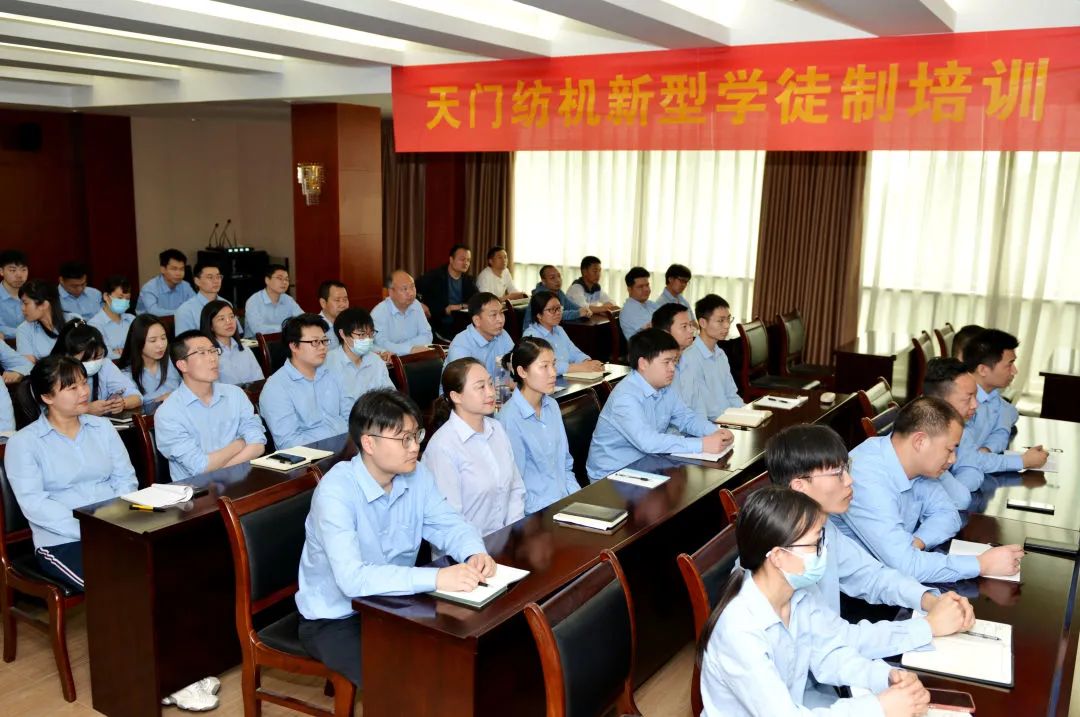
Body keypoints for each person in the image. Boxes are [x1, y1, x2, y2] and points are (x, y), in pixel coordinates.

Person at [295, 389, 495, 687]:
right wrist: (437, 578)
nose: (415, 447)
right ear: (369, 443)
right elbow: (352, 580)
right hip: (337, 618)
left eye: (416, 435)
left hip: (395, 603)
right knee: (403, 683)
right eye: (404, 439)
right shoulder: (336, 492)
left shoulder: (417, 474)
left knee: (463, 656)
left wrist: (473, 552)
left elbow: (449, 524)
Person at [699, 486, 931, 717]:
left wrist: (883, 676)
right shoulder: (739, 630)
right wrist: (879, 707)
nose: (823, 552)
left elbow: (828, 655)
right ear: (778, 556)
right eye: (815, 544)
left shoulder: (797, 592)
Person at [764, 425, 974, 663]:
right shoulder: (783, 556)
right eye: (837, 473)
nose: (849, 480)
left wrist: (929, 600)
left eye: (847, 468)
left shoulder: (823, 528)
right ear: (799, 487)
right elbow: (834, 639)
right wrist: (927, 627)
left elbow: (872, 576)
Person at [838, 397, 1025, 584]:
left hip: (894, 578)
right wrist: (981, 564)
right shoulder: (866, 479)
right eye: (949, 449)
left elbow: (948, 513)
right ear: (920, 441)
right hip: (858, 589)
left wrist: (918, 542)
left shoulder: (916, 465)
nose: (952, 459)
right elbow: (907, 567)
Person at [4, 356, 138, 591]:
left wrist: (116, 520)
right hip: (62, 541)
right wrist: (90, 528)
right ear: (47, 397)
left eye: (84, 383)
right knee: (112, 583)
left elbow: (125, 478)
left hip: (115, 527)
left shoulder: (102, 427)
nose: (84, 392)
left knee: (160, 567)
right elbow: (35, 503)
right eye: (72, 388)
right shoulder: (24, 443)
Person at [586, 329, 733, 481]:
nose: (672, 368)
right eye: (666, 362)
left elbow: (686, 418)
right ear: (643, 363)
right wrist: (702, 444)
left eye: (675, 361)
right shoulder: (625, 397)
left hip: (646, 463)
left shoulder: (664, 387)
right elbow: (648, 442)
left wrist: (716, 432)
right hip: (613, 474)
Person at [423, 357, 526, 536]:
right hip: (467, 548)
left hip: (506, 539)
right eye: (480, 387)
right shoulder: (442, 447)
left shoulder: (497, 429)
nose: (491, 393)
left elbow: (516, 488)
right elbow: (449, 521)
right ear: (456, 396)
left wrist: (512, 534)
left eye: (490, 384)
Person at [154, 330, 266, 480]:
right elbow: (200, 466)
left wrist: (222, 476)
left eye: (213, 351)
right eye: (202, 353)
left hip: (245, 481)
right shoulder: (168, 413)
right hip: (198, 490)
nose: (212, 358)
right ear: (182, 365)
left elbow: (258, 445)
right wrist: (240, 443)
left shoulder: (235, 394)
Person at [925, 357, 1046, 492]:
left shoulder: (961, 429)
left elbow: (972, 468)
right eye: (968, 398)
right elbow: (976, 464)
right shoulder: (921, 432)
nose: (976, 405)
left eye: (976, 397)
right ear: (940, 401)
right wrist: (1022, 461)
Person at [496, 338, 581, 514]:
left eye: (554, 365)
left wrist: (577, 498)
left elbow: (565, 464)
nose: (553, 373)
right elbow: (515, 487)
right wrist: (555, 510)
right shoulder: (509, 418)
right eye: (544, 366)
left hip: (565, 502)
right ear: (522, 372)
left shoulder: (552, 406)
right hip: (536, 513)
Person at [259, 314, 351, 449]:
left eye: (324, 341)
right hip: (311, 458)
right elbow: (288, 443)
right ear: (294, 346)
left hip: (346, 449)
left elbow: (350, 416)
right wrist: (334, 442)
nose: (322, 347)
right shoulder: (276, 388)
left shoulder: (333, 373)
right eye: (315, 342)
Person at [962, 329, 1038, 462]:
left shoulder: (991, 394)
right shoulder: (960, 402)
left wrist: (987, 449)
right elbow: (967, 459)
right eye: (1010, 364)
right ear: (983, 370)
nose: (1015, 371)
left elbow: (1010, 413)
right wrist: (1022, 461)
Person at [675, 294, 743, 421]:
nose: (727, 325)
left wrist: (747, 413)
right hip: (711, 423)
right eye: (720, 321)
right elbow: (705, 408)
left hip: (728, 418)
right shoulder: (690, 358)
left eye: (728, 319)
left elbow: (731, 395)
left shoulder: (721, 354)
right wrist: (734, 419)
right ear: (702, 323)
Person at [50, 321, 141, 415]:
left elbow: (136, 396)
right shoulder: (57, 372)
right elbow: (50, 411)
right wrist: (86, 409)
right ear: (68, 356)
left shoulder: (105, 365)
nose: (93, 363)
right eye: (86, 360)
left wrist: (123, 403)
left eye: (98, 357)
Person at [521, 291, 603, 376]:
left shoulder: (559, 330)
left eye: (559, 308)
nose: (558, 313)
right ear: (539, 315)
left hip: (566, 377)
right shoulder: (531, 336)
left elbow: (574, 352)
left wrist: (587, 362)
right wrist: (579, 367)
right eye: (552, 310)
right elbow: (546, 365)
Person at [325, 307, 394, 407]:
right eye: (361, 334)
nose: (368, 339)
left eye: (370, 334)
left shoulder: (376, 361)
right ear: (342, 334)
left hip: (376, 415)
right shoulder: (329, 363)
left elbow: (391, 397)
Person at [445, 292, 514, 379]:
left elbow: (513, 368)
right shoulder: (461, 346)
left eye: (501, 312)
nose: (500, 320)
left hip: (496, 386)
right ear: (477, 320)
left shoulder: (503, 335)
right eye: (493, 315)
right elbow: (467, 384)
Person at [416, 244, 477, 340]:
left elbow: (478, 300)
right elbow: (412, 289)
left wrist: (458, 306)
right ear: (451, 260)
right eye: (462, 259)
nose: (466, 263)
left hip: (460, 326)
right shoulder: (435, 276)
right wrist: (419, 304)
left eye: (468, 260)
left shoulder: (468, 280)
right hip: (437, 324)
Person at [118, 314, 180, 404]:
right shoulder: (126, 374)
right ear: (138, 342)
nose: (161, 345)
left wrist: (174, 396)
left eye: (163, 338)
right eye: (153, 340)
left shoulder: (174, 360)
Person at [200, 300, 263, 386]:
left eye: (232, 317)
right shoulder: (208, 355)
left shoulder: (245, 350)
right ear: (211, 326)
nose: (229, 322)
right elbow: (212, 389)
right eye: (221, 319)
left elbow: (259, 381)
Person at [371, 270, 433, 355]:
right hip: (391, 360)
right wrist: (409, 350)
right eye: (404, 289)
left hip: (416, 355)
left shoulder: (416, 305)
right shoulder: (379, 313)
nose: (411, 293)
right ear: (391, 292)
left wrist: (404, 348)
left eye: (412, 287)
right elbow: (381, 344)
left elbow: (427, 335)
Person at [16, 280, 78, 361]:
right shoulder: (24, 330)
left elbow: (86, 354)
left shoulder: (74, 321)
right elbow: (28, 364)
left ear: (44, 305)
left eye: (26, 303)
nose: (22, 308)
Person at [244, 264, 303, 336]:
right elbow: (258, 329)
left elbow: (302, 320)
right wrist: (287, 327)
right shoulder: (254, 301)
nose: (284, 282)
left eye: (287, 279)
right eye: (279, 278)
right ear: (267, 280)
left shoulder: (288, 300)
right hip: (255, 342)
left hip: (282, 340)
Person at [136, 249, 195, 316]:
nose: (178, 273)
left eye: (181, 269)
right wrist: (182, 312)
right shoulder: (149, 288)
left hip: (178, 320)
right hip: (149, 321)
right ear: (163, 269)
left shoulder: (185, 285)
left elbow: (196, 305)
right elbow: (153, 312)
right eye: (174, 269)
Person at [174, 261, 228, 334]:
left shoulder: (226, 303)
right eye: (210, 277)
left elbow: (237, 334)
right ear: (197, 281)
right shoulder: (185, 311)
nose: (216, 281)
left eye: (218, 277)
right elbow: (184, 340)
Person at [87, 275, 134, 358]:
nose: (124, 301)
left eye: (127, 299)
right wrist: (130, 352)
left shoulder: (132, 319)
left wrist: (122, 352)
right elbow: (105, 354)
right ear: (106, 296)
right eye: (120, 298)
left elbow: (143, 347)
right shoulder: (94, 324)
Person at [523, 265, 587, 325]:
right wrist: (578, 313)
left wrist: (585, 310)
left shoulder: (558, 292)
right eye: (552, 278)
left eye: (559, 276)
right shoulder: (540, 296)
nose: (558, 280)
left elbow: (570, 305)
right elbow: (555, 314)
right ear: (544, 281)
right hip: (535, 330)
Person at [619, 266, 657, 340]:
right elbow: (657, 329)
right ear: (629, 289)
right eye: (640, 287)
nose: (646, 289)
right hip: (647, 346)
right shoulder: (629, 310)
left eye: (647, 285)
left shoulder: (649, 303)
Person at [0, 249, 29, 337]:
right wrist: (26, 333)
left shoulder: (33, 294)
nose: (19, 275)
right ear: (1, 271)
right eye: (13, 270)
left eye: (23, 269)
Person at [317, 280, 350, 350]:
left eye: (345, 300)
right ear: (323, 303)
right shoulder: (315, 328)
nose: (343, 305)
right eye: (337, 300)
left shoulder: (350, 323)